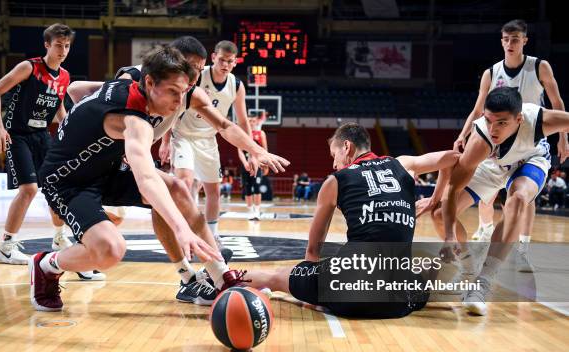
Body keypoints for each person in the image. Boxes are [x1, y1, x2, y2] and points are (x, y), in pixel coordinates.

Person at [30, 46, 262, 312]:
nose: (179, 101)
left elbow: (77, 90)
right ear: (149, 82)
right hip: (67, 181)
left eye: (183, 92)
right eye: (173, 92)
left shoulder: (136, 88)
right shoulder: (133, 117)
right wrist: (180, 228)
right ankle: (47, 265)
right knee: (110, 250)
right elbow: (146, 180)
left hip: (106, 169)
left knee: (176, 188)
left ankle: (220, 276)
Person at [244, 123, 460, 318]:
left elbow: (312, 252)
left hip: (348, 292)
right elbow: (452, 158)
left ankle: (216, 280)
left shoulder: (335, 181)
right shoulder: (402, 164)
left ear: (346, 147)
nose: (335, 164)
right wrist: (434, 199)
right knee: (424, 270)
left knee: (276, 277)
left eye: (333, 155)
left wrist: (311, 289)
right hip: (397, 302)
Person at [428, 87, 569, 316]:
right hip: (493, 166)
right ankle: (467, 270)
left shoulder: (540, 120)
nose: (493, 129)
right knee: (439, 214)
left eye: (502, 123)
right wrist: (449, 236)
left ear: (519, 118)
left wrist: (563, 139)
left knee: (519, 198)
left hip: (529, 161)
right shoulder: (481, 138)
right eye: (489, 120)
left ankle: (483, 282)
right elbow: (453, 189)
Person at [454, 20, 568, 269]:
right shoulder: (492, 73)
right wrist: (463, 135)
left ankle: (522, 249)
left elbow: (557, 102)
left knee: (524, 197)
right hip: (500, 140)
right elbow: (477, 109)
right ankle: (486, 231)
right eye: (506, 39)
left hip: (531, 135)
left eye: (515, 39)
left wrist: (563, 137)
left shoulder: (539, 66)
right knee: (487, 193)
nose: (510, 44)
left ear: (525, 40)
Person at [0, 24, 79, 268]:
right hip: (17, 135)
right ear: (47, 45)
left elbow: (59, 109)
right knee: (29, 189)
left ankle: (59, 238)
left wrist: (72, 130)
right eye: (58, 45)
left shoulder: (66, 76)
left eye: (67, 46)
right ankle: (6, 247)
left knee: (55, 185)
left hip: (42, 136)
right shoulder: (29, 67)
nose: (63, 50)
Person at [166, 41, 281, 235]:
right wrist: (164, 141)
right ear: (213, 58)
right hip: (183, 134)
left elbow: (243, 121)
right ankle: (182, 230)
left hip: (209, 138)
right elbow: (173, 107)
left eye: (229, 61)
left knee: (214, 191)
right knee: (185, 182)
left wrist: (252, 152)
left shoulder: (236, 85)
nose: (225, 65)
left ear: (235, 62)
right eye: (221, 60)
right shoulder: (198, 75)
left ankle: (213, 235)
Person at [239, 115, 268, 220]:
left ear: (256, 122)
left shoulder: (261, 134)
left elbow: (264, 150)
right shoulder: (241, 134)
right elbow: (240, 151)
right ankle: (250, 211)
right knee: (247, 188)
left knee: (257, 186)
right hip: (246, 165)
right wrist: (244, 163)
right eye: (249, 120)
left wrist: (265, 164)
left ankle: (257, 211)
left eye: (253, 121)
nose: (251, 122)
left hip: (258, 165)